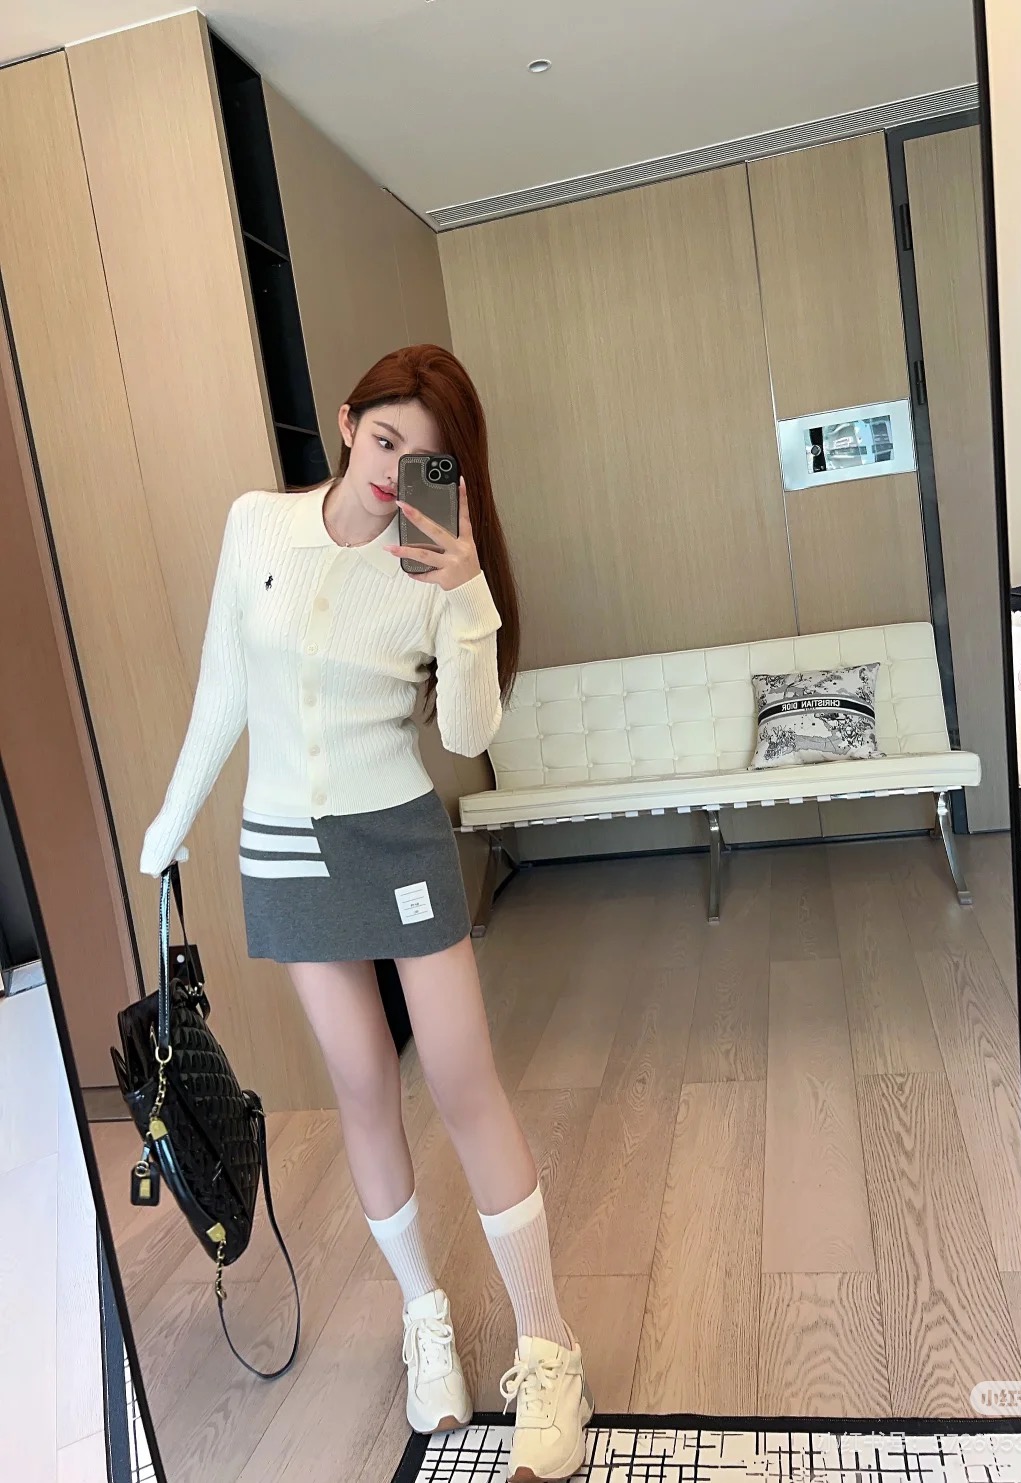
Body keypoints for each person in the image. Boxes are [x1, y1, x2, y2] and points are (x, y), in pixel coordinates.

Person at [140, 344, 592, 1480]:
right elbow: (225, 686)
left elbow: (470, 734)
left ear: (453, 475)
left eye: (426, 459)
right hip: (284, 846)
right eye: (385, 440)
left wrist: (467, 590)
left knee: (463, 1079)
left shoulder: (432, 562)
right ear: (347, 424)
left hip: (395, 840)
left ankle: (549, 1345)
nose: (396, 472)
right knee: (359, 1083)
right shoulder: (256, 525)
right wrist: (171, 821)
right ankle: (423, 1316)